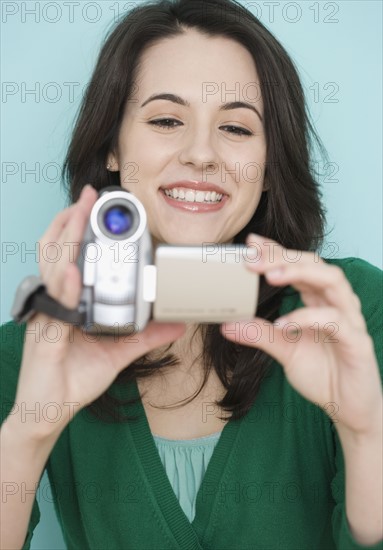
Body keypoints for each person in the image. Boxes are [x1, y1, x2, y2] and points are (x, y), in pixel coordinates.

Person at [1, 0, 382, 548]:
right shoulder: (32, 351)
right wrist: (28, 434)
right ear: (112, 146)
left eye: (235, 127)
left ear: (271, 165)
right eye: (165, 120)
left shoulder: (353, 314)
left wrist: (366, 434)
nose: (202, 154)